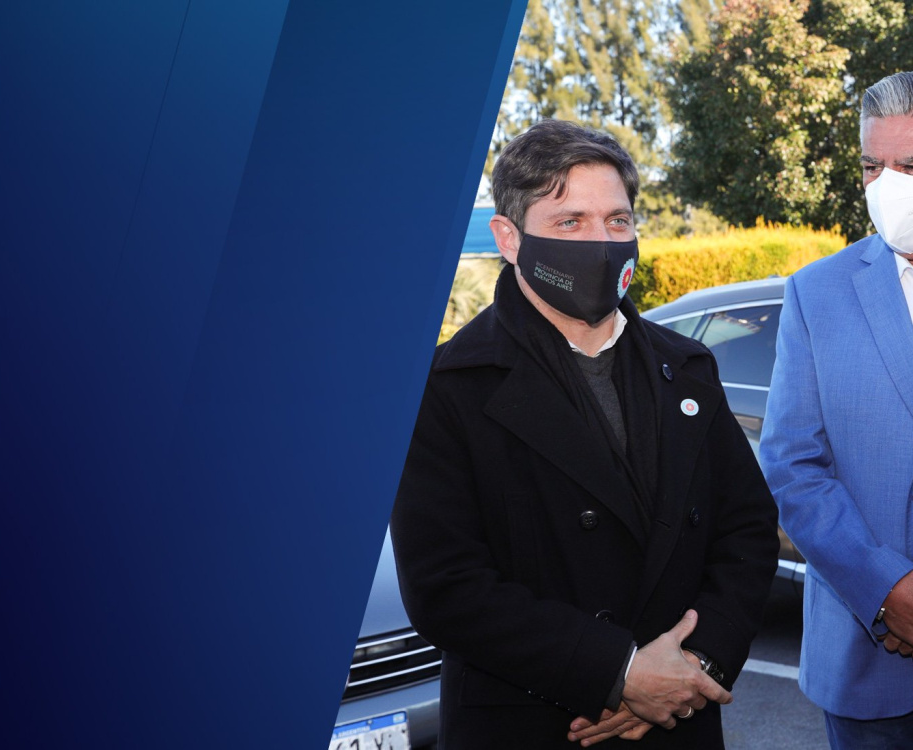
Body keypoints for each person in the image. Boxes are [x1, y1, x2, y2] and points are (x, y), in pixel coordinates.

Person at [391, 119, 779, 749]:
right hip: (530, 727)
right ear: (509, 238)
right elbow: (446, 587)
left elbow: (748, 531)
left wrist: (692, 666)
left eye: (617, 221)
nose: (601, 242)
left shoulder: (687, 368)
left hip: (679, 723)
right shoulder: (447, 387)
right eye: (570, 222)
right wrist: (618, 673)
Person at [760, 70, 913, 748]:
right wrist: (887, 590)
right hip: (867, 664)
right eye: (872, 166)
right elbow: (793, 466)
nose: (888, 186)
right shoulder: (815, 294)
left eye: (910, 167)